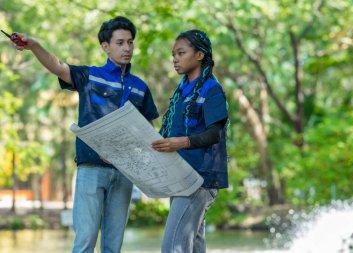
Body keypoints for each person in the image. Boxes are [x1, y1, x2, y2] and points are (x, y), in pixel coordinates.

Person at [15, 16, 159, 253]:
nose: (127, 48)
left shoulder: (140, 87)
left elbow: (148, 132)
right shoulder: (89, 76)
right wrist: (34, 45)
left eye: (130, 43)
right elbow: (58, 66)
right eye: (120, 43)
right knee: (85, 243)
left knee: (113, 246)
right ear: (105, 46)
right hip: (91, 170)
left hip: (124, 174)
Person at [151, 30, 228, 253]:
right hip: (179, 176)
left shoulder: (211, 89)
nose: (175, 59)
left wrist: (182, 143)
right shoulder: (180, 93)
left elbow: (215, 134)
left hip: (199, 178)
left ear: (199, 55)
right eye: (173, 54)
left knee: (173, 246)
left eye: (181, 53)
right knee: (193, 245)